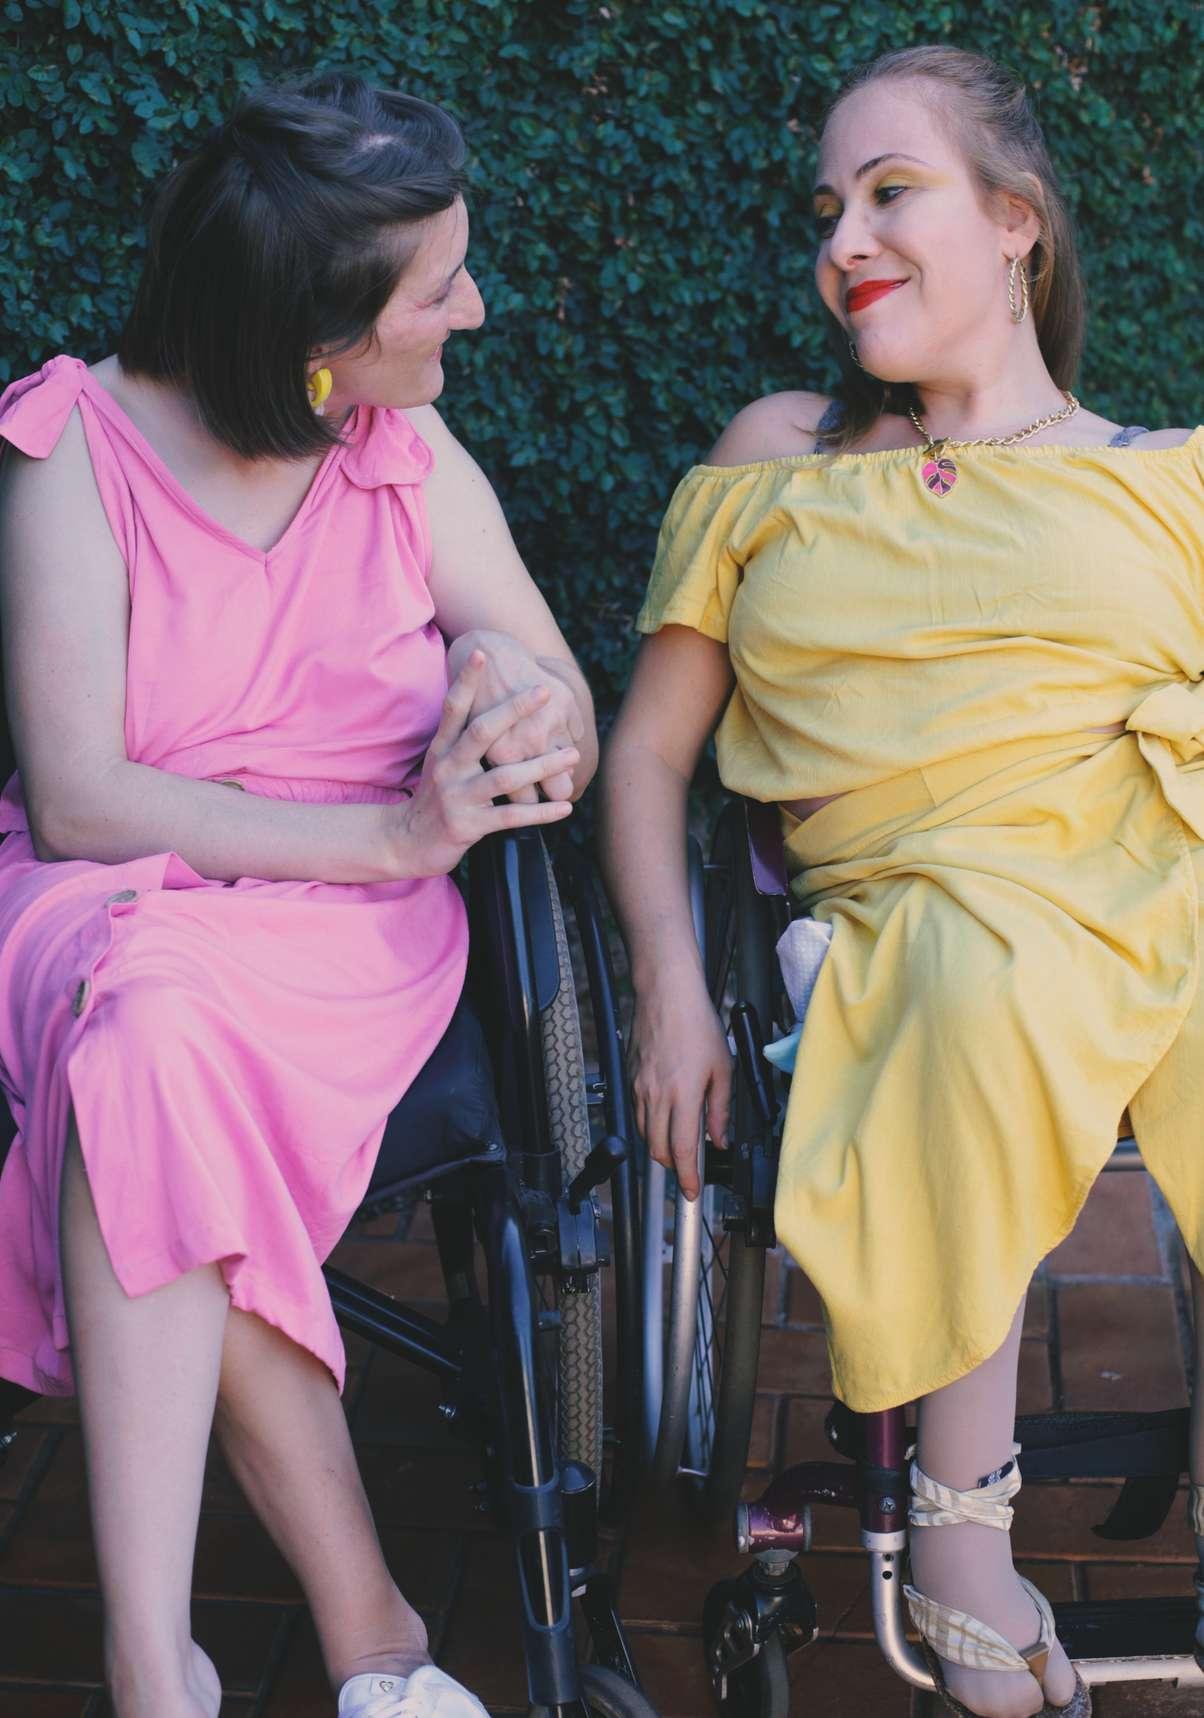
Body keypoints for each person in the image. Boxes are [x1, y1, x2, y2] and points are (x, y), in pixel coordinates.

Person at [600, 44, 1202, 1718]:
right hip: (914, 914)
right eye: (828, 209)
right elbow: (645, 758)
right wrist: (666, 981)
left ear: (1016, 223)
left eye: (889, 192)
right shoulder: (779, 458)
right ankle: (959, 1524)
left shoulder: (1166, 472)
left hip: (1145, 875)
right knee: (978, 963)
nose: (842, 239)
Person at [0, 73, 596, 1718]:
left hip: (348, 942)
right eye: (437, 288)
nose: (474, 309)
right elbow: (81, 797)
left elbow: (557, 681)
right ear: (316, 336)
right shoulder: (74, 446)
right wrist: (396, 835)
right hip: (120, 895)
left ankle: (182, 1670)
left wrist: (520, 703)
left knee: (150, 1068)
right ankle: (298, 1649)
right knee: (149, 1030)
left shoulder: (403, 449)